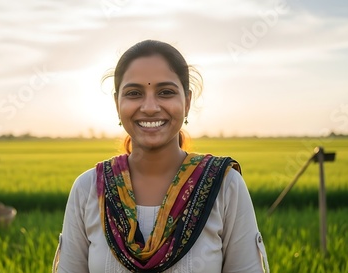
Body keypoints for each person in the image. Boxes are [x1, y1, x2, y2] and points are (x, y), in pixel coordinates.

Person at [53, 40, 270, 273]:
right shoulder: (89, 189)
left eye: (165, 92)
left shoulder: (224, 187)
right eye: (134, 93)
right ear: (117, 104)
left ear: (187, 102)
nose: (149, 107)